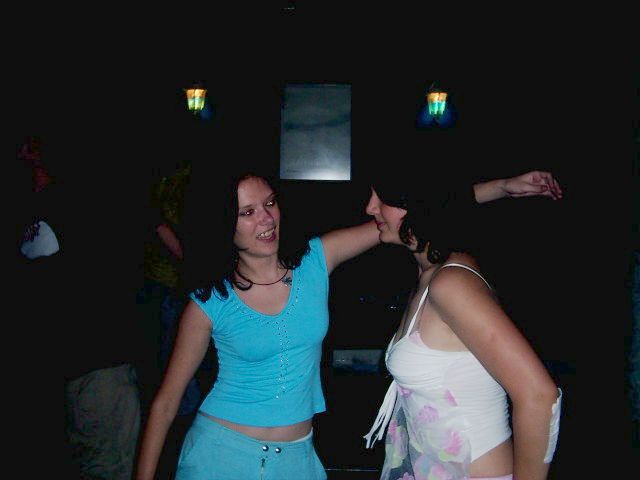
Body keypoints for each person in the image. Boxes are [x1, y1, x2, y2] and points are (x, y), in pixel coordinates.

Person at [134, 158, 562, 480]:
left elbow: (420, 209)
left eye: (269, 203)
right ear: (223, 223)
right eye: (247, 212)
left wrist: (501, 187)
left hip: (298, 459)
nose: (266, 219)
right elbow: (166, 403)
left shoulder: (314, 261)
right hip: (221, 454)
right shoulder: (210, 301)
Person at [362, 166, 563, 479]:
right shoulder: (429, 275)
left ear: (415, 203)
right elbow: (445, 199)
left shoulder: (452, 284)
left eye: (382, 198)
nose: (370, 208)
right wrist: (502, 187)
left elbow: (539, 395)